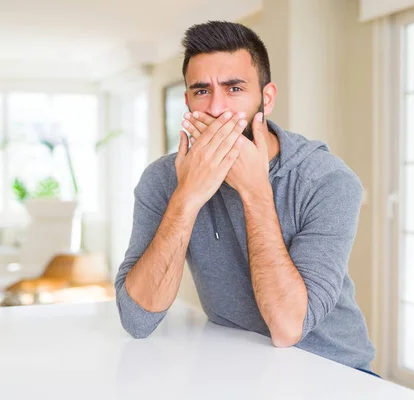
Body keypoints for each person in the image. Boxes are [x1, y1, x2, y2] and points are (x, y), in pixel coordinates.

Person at [115, 21, 376, 374]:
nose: (217, 107)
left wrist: (255, 192)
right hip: (240, 366)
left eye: (234, 88)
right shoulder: (164, 179)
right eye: (202, 91)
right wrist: (187, 196)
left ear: (266, 98)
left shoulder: (326, 180)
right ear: (188, 100)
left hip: (336, 371)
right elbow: (137, 320)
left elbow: (287, 329)